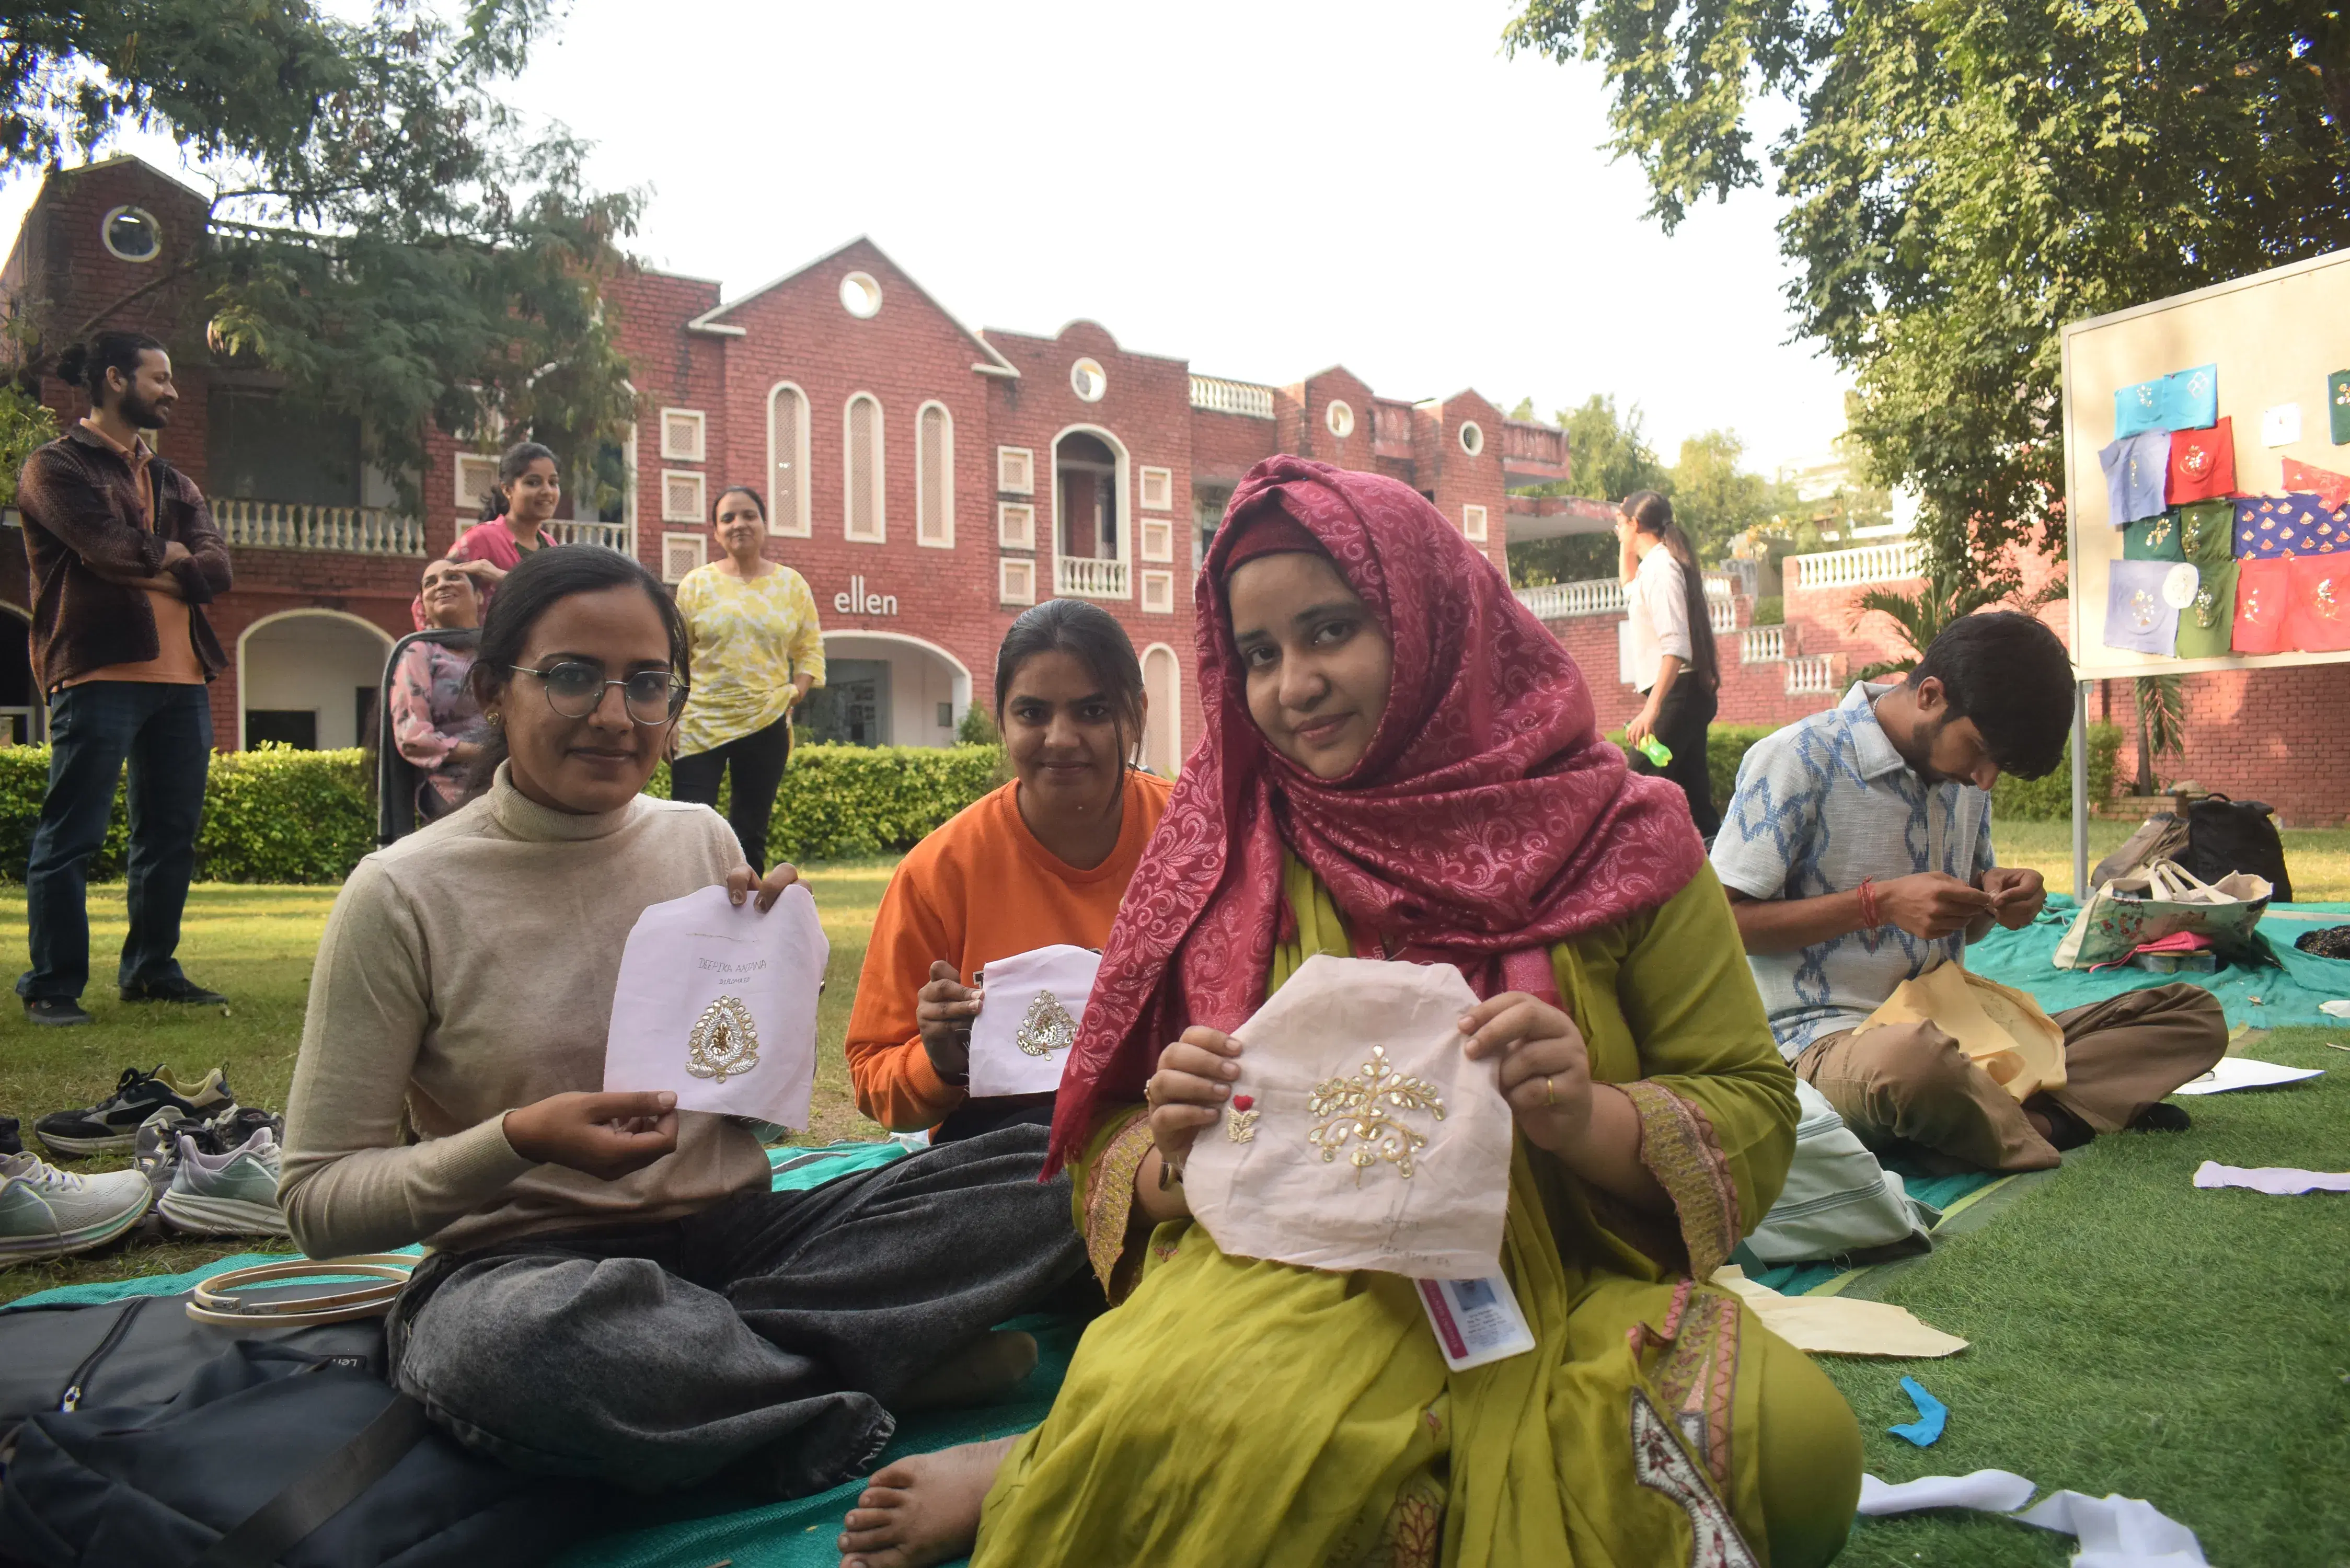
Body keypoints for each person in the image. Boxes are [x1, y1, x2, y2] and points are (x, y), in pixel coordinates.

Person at [836, 457, 1858, 1568]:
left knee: (1790, 1451)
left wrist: (1586, 1117)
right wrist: (1175, 1150)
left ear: (1431, 618)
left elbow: (1752, 1102)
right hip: (1294, 1284)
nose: (1295, 685)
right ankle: (1061, 1448)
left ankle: (1062, 1447)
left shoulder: (1620, 833)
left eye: (1330, 631)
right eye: (1259, 654)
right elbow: (1108, 1141)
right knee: (1246, 1440)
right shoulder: (1222, 852)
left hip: (1568, 1287)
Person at [281, 545, 1085, 1500]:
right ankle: (857, 1376)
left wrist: (771, 982)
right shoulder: (401, 894)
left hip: (743, 1240)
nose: (615, 716)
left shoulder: (699, 837)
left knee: (1060, 1162)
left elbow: (737, 1108)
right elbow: (318, 1199)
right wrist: (517, 1140)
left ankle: (733, 1379)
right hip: (532, 1270)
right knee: (506, 1349)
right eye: (572, 676)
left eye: (648, 684)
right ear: (494, 690)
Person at [1710, 611, 2227, 1172]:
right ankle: (2045, 1120)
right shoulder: (1798, 758)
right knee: (1911, 1065)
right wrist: (1876, 905)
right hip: (1826, 1042)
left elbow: (1969, 926)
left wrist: (1994, 899)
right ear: (1930, 695)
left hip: (1959, 1029)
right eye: (1979, 751)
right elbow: (1721, 926)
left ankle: (1986, 1124)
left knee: (2190, 1014)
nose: (1985, 780)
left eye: (1997, 766)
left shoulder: (1965, 781)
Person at [846, 600, 1172, 1142]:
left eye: (1093, 711)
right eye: (1032, 713)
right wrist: (943, 1062)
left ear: (1136, 713)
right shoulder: (938, 873)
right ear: (1001, 719)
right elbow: (874, 1083)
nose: (1060, 738)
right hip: (1004, 1155)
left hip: (1173, 1131)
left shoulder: (1197, 839)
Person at [14, 331, 234, 1027]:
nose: (172, 390)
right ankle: (53, 984)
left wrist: (166, 566)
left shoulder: (173, 480)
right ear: (115, 379)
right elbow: (103, 548)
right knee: (72, 833)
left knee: (170, 834)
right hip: (97, 667)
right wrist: (174, 561)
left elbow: (218, 568)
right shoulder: (55, 467)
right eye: (159, 378)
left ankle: (151, 970)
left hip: (183, 676)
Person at [671, 485, 826, 870]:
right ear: (716, 532)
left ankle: (747, 906)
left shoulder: (791, 585)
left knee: (750, 832)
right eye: (728, 518)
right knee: (688, 827)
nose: (739, 524)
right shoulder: (696, 584)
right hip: (700, 721)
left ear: (764, 525)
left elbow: (810, 648)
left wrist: (797, 691)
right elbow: (675, 658)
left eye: (749, 516)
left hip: (765, 719)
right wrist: (669, 720)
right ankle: (688, 903)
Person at [1617, 489, 1720, 837]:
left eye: (1621, 522)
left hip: (1679, 694)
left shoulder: (1662, 570)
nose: (1616, 529)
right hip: (1682, 694)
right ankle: (1717, 862)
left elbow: (1676, 647)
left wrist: (1652, 710)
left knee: (1634, 791)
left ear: (1635, 524)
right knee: (1695, 804)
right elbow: (1628, 586)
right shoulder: (1652, 568)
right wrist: (1626, 542)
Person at [409, 440, 562, 629]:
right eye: (533, 483)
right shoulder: (482, 539)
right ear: (507, 490)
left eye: (553, 483)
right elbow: (425, 604)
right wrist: (436, 645)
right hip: (486, 646)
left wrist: (502, 578)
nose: (547, 491)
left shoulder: (551, 547)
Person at [388, 557, 490, 816]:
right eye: (430, 583)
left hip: (516, 781)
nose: (442, 585)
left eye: (453, 577)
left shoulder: (499, 650)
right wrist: (488, 753)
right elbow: (413, 738)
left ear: (479, 596)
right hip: (454, 795)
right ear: (423, 603)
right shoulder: (420, 653)